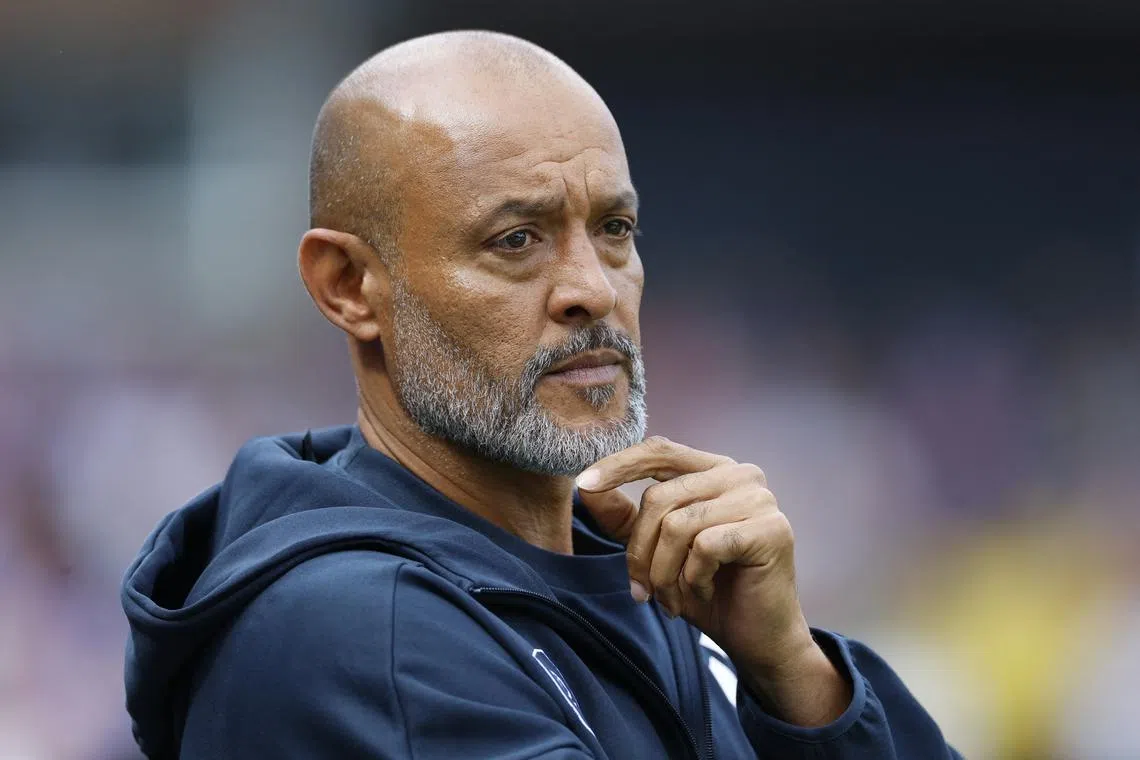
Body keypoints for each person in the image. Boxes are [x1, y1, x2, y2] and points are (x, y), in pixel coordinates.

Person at [122, 30, 960, 759]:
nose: (591, 289)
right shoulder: (362, 636)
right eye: (515, 240)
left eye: (614, 230)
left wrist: (798, 680)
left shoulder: (653, 586)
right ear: (348, 285)